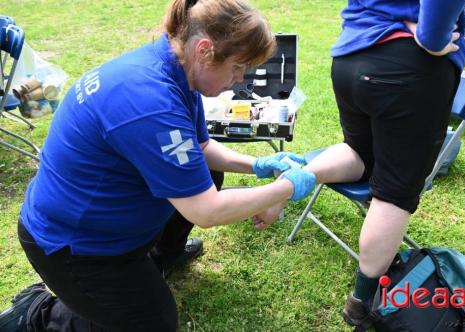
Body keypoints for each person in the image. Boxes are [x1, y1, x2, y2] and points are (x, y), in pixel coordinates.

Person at [0, 0, 317, 331]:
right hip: (73, 244)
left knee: (207, 171)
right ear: (205, 50)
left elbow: (201, 147)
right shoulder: (151, 102)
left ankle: (159, 259)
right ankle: (37, 315)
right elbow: (206, 211)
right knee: (154, 323)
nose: (239, 80)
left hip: (102, 216)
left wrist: (260, 164)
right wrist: (287, 187)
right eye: (237, 67)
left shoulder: (177, 68)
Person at [253, 0, 465, 327]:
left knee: (358, 151)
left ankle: (291, 182)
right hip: (407, 64)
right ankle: (362, 302)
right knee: (393, 193)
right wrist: (432, 38)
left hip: (351, 55)